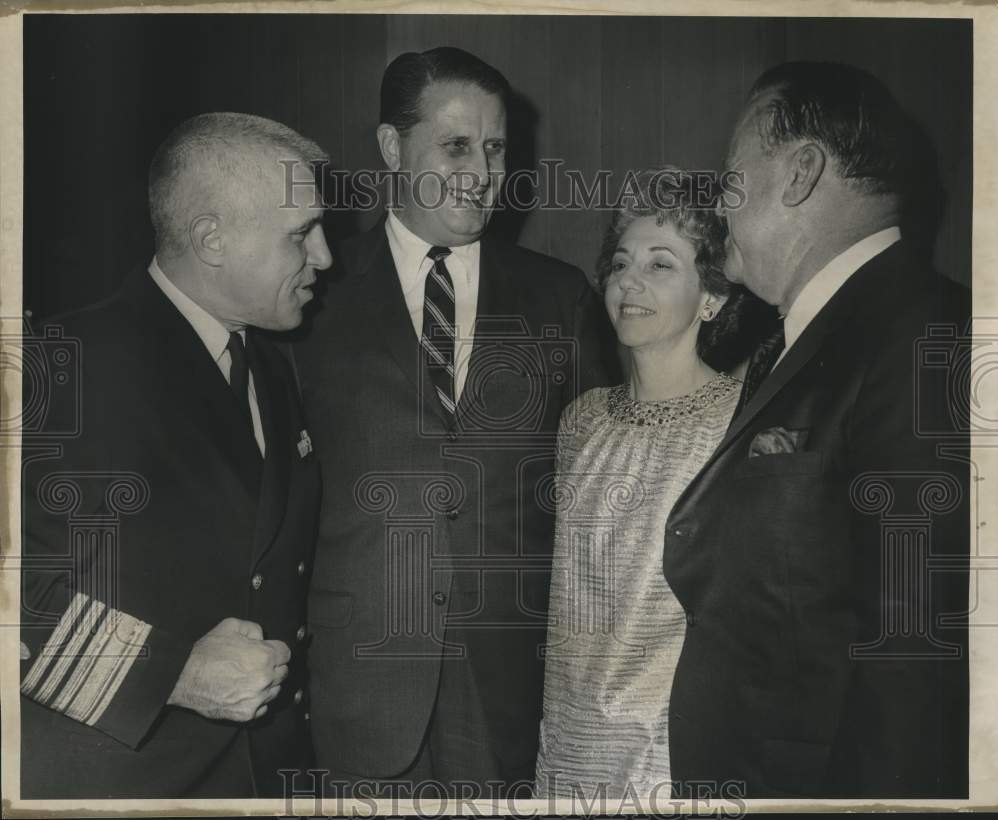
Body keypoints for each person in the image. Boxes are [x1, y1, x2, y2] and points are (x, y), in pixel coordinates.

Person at [294, 46, 618, 797]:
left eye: (496, 147)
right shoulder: (313, 293)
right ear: (389, 148)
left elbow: (598, 499)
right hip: (360, 684)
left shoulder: (559, 297)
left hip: (511, 684)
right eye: (455, 146)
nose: (481, 171)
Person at [662, 62, 970, 798]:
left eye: (731, 175)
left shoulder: (925, 336)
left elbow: (914, 648)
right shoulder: (807, 334)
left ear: (799, 173)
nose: (718, 202)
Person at [19, 112, 332, 798]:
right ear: (212, 239)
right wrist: (178, 675)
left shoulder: (271, 365)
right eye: (302, 233)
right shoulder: (62, 366)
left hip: (263, 779)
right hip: (127, 783)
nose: (326, 256)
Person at [533, 167, 769, 805]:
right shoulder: (580, 419)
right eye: (620, 263)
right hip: (567, 745)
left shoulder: (740, 421)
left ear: (713, 295)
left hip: (671, 758)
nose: (629, 281)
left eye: (661, 265)